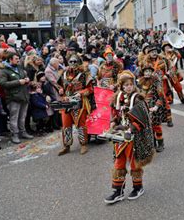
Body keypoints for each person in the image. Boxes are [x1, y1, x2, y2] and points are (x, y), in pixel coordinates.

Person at [104, 71, 155, 204]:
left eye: (131, 84)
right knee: (119, 162)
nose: (128, 87)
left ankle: (138, 187)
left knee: (134, 162)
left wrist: (130, 129)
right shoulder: (117, 98)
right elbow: (115, 113)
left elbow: (143, 119)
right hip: (120, 136)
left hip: (134, 136)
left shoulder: (138, 99)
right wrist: (113, 122)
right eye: (126, 85)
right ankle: (118, 191)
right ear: (121, 86)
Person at [58, 54, 95, 156]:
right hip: (66, 102)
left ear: (79, 63)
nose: (73, 64)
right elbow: (60, 86)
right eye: (71, 61)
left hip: (79, 102)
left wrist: (81, 93)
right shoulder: (64, 74)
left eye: (75, 61)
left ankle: (83, 144)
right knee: (66, 125)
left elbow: (91, 89)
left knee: (80, 124)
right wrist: (61, 90)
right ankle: (66, 146)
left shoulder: (84, 74)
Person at [0, 52, 34, 144]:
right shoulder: (4, 71)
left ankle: (23, 132)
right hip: (13, 98)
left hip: (24, 96)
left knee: (22, 117)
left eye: (18, 59)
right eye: (16, 59)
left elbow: (25, 76)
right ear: (10, 59)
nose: (18, 60)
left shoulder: (19, 67)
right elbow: (3, 84)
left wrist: (27, 79)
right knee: (14, 117)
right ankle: (15, 135)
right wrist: (18, 82)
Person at [138, 64, 166, 152]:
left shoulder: (156, 82)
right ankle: (152, 143)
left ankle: (161, 143)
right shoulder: (140, 82)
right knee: (147, 127)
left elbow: (161, 96)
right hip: (144, 107)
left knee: (156, 127)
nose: (147, 73)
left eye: (149, 71)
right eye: (146, 71)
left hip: (154, 108)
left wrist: (156, 106)